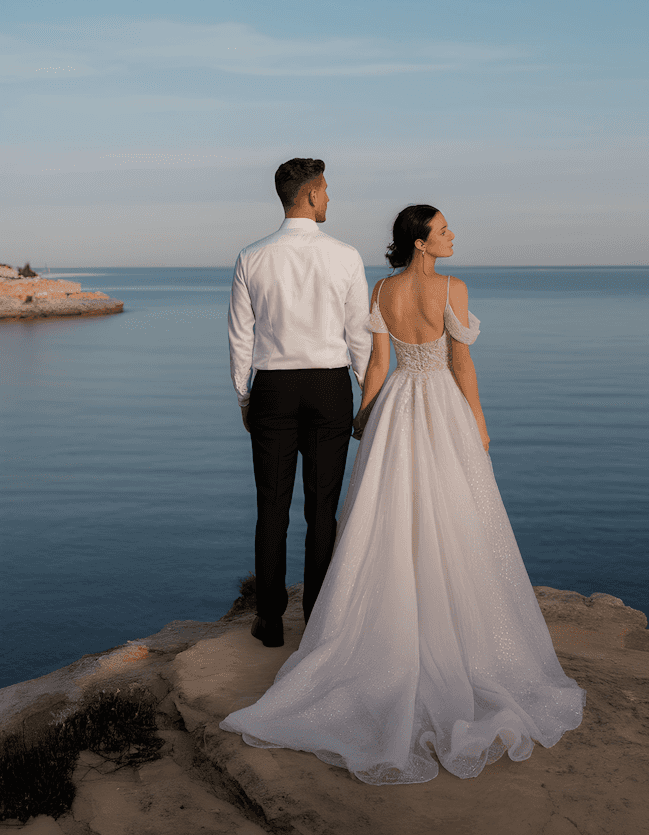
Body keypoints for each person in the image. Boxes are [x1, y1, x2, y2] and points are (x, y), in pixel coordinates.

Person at [220, 204, 586, 784]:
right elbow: (462, 363)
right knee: (454, 517)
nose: (452, 235)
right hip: (441, 405)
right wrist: (480, 425)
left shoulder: (382, 290)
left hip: (397, 409)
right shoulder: (452, 289)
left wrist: (366, 417)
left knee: (381, 520)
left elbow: (379, 363)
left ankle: (374, 621)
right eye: (443, 230)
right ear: (421, 242)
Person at [227, 157, 371, 647]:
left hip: (273, 388)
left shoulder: (251, 256)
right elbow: (360, 338)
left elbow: (239, 339)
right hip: (330, 387)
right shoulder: (347, 256)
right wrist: (366, 396)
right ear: (309, 195)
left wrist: (245, 395)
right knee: (322, 509)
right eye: (326, 189)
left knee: (271, 508)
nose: (329, 197)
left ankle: (268, 620)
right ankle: (318, 621)